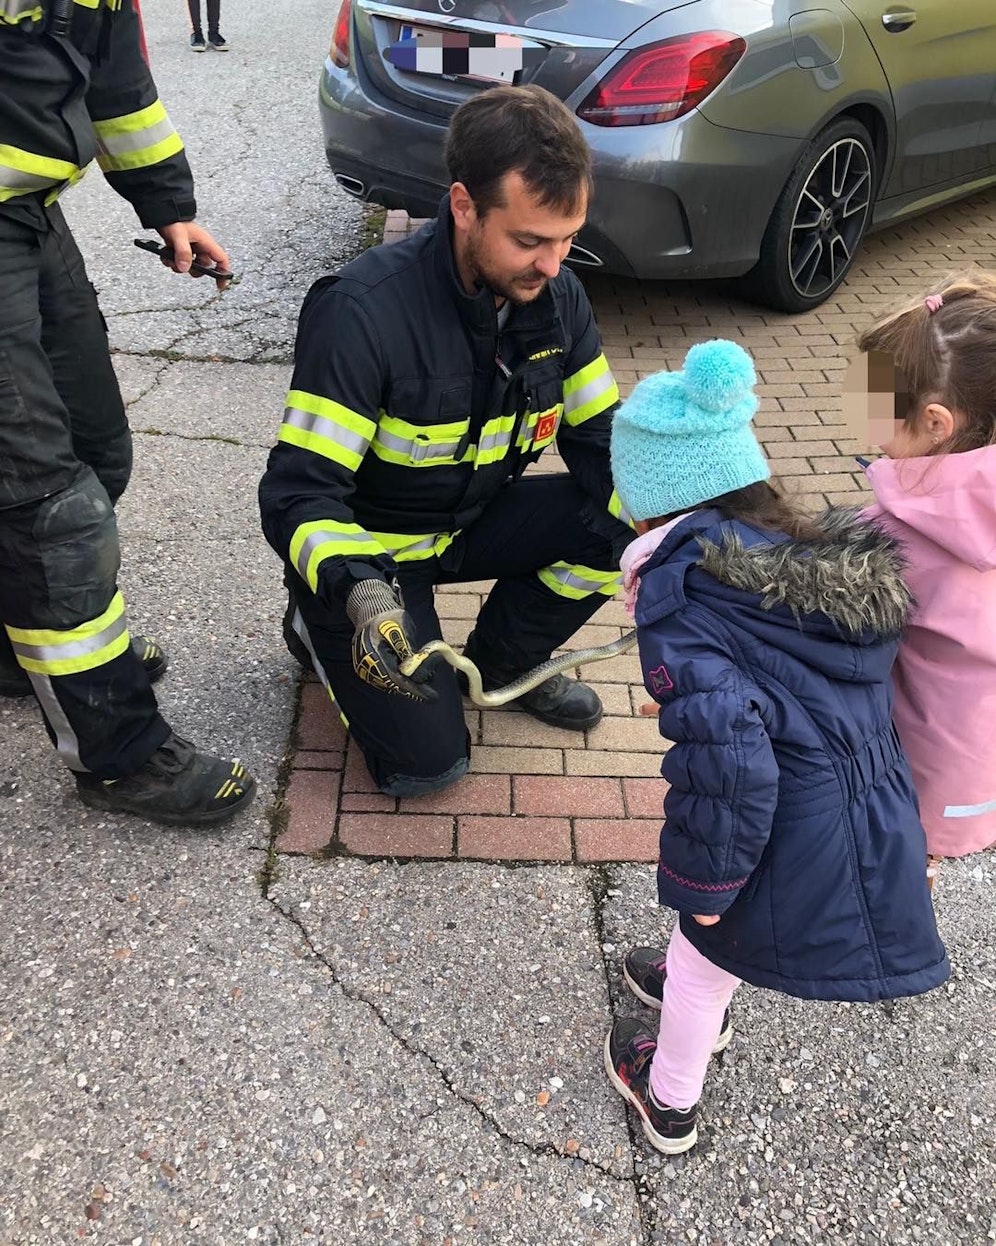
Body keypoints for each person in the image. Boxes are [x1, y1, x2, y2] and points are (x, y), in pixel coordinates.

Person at [601, 338, 949, 1156]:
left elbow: (727, 765)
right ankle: (699, 982)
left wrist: (705, 881)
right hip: (848, 806)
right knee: (713, 946)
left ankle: (670, 1099)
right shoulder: (785, 565)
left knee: (704, 940)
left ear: (652, 502)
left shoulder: (689, 603)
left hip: (777, 828)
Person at [258, 84, 632, 797]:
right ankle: (318, 621)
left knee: (626, 519)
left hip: (475, 520)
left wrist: (687, 522)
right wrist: (355, 587)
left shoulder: (556, 299)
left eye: (566, 239)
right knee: (427, 768)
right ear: (464, 206)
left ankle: (501, 663)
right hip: (378, 559)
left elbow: (602, 439)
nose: (553, 265)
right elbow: (298, 492)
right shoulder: (361, 313)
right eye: (529, 241)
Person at [0, 0, 255, 824]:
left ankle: (24, 651)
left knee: (97, 451)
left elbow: (116, 82)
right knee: (48, 509)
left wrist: (166, 203)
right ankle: (118, 757)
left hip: (32, 214)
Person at [848, 271, 996, 885]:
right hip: (974, 765)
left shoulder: (894, 531)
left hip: (900, 761)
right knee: (908, 857)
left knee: (793, 874)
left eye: (878, 406)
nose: (868, 424)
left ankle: (693, 979)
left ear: (937, 423)